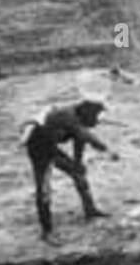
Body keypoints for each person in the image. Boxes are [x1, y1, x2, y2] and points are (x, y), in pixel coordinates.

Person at [22, 97, 119, 238]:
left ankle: (90, 209)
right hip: (39, 148)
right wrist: (107, 150)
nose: (97, 120)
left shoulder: (79, 119)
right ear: (87, 111)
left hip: (51, 146)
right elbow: (86, 136)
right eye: (96, 115)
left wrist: (78, 164)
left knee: (78, 173)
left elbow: (80, 142)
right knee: (44, 189)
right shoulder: (68, 115)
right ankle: (47, 231)